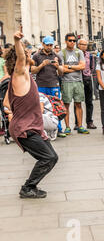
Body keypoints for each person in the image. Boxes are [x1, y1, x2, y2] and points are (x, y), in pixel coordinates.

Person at [3, 28, 58, 199]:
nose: (30, 55)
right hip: (25, 128)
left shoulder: (18, 78)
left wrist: (15, 111)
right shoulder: (21, 74)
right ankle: (28, 187)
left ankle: (30, 186)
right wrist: (17, 41)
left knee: (52, 157)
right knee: (48, 158)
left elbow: (6, 102)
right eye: (28, 53)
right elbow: (20, 58)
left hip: (29, 126)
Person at [30, 36, 65, 138]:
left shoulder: (56, 56)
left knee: (55, 106)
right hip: (41, 85)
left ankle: (58, 128)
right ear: (43, 44)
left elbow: (61, 72)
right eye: (47, 45)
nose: (49, 47)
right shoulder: (36, 56)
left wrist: (57, 66)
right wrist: (42, 65)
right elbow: (32, 70)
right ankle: (41, 129)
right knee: (41, 108)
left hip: (54, 84)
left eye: (51, 45)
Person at [59, 33, 89, 135]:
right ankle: (67, 127)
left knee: (78, 104)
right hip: (66, 82)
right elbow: (61, 69)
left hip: (78, 81)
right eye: (70, 40)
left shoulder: (79, 52)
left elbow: (82, 67)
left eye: (74, 41)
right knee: (66, 105)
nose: (72, 42)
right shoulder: (61, 53)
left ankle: (80, 125)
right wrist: (75, 67)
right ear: (66, 41)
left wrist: (70, 67)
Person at [76, 39, 97, 130]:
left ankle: (89, 121)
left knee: (89, 102)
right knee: (77, 102)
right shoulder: (75, 54)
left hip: (87, 79)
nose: (84, 46)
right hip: (77, 79)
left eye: (85, 45)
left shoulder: (90, 55)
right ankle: (78, 123)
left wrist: (87, 73)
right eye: (82, 44)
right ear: (78, 45)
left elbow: (92, 67)